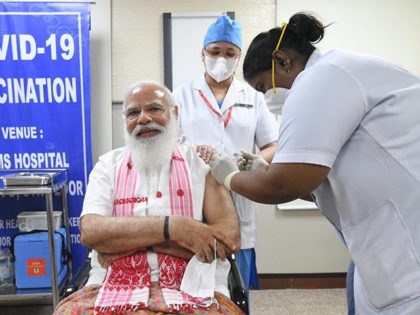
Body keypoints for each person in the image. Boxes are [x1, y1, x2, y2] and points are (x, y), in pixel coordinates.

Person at [209, 11, 420, 315]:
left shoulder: (322, 77)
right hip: (378, 239)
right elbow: (317, 183)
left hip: (404, 243)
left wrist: (229, 177)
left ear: (282, 61)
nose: (267, 97)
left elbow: (284, 184)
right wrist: (262, 170)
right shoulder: (337, 73)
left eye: (263, 86)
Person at [54, 80, 244, 315]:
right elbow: (91, 232)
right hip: (113, 284)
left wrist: (126, 243)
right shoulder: (107, 166)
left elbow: (228, 239)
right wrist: (175, 228)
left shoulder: (201, 164)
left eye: (154, 109)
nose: (143, 118)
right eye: (134, 112)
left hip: (193, 285)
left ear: (174, 113)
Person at [173, 14, 279, 295]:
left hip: (239, 193)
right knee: (193, 284)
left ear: (238, 57)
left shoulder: (254, 97)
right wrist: (192, 153)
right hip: (193, 197)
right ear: (203, 54)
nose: (222, 58)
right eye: (215, 51)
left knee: (236, 284)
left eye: (229, 53)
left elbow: (273, 144)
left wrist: (250, 164)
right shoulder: (181, 96)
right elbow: (168, 147)